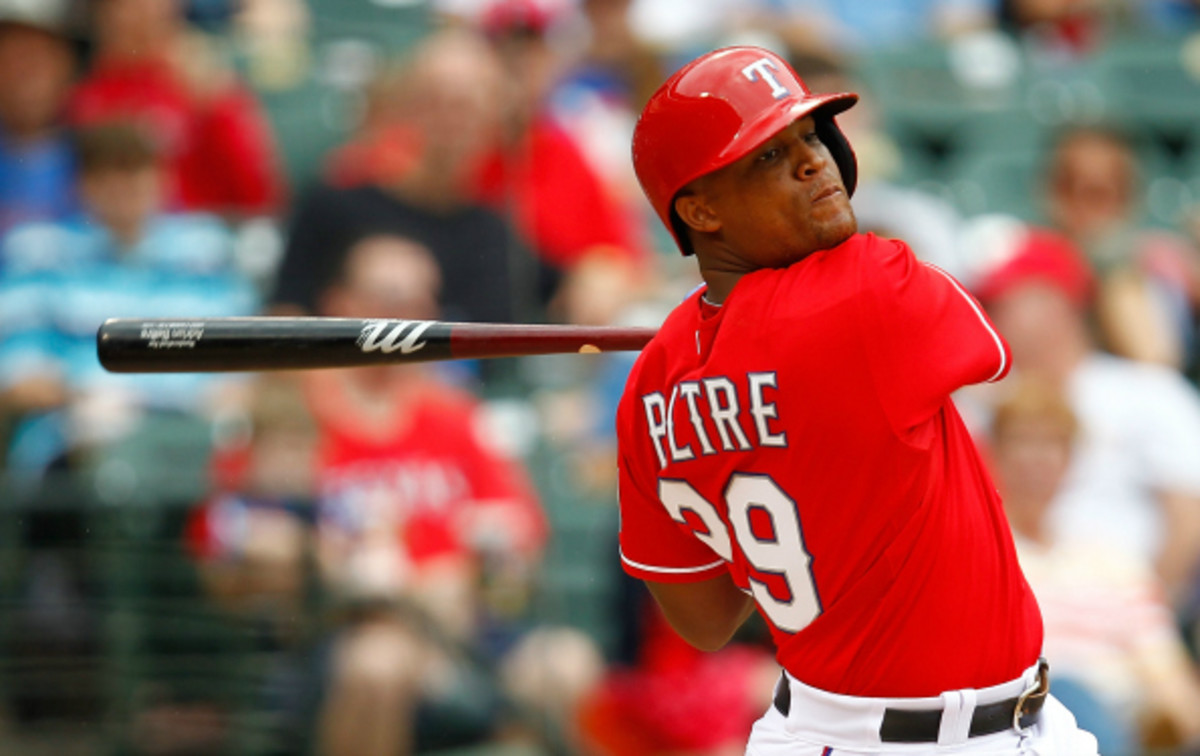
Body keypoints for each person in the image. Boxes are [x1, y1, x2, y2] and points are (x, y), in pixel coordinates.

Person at [616, 45, 1098, 755]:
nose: (814, 162)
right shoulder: (869, 289)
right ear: (698, 210)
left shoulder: (651, 387)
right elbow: (994, 351)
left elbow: (705, 617)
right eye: (767, 158)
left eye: (808, 137)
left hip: (846, 727)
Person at [990, 376, 1200, 756]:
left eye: (1051, 444)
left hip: (1123, 724)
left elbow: (1165, 673)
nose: (1036, 459)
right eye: (1023, 441)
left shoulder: (1113, 562)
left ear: (1070, 460)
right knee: (1066, 697)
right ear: (997, 454)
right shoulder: (987, 559)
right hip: (1029, 724)